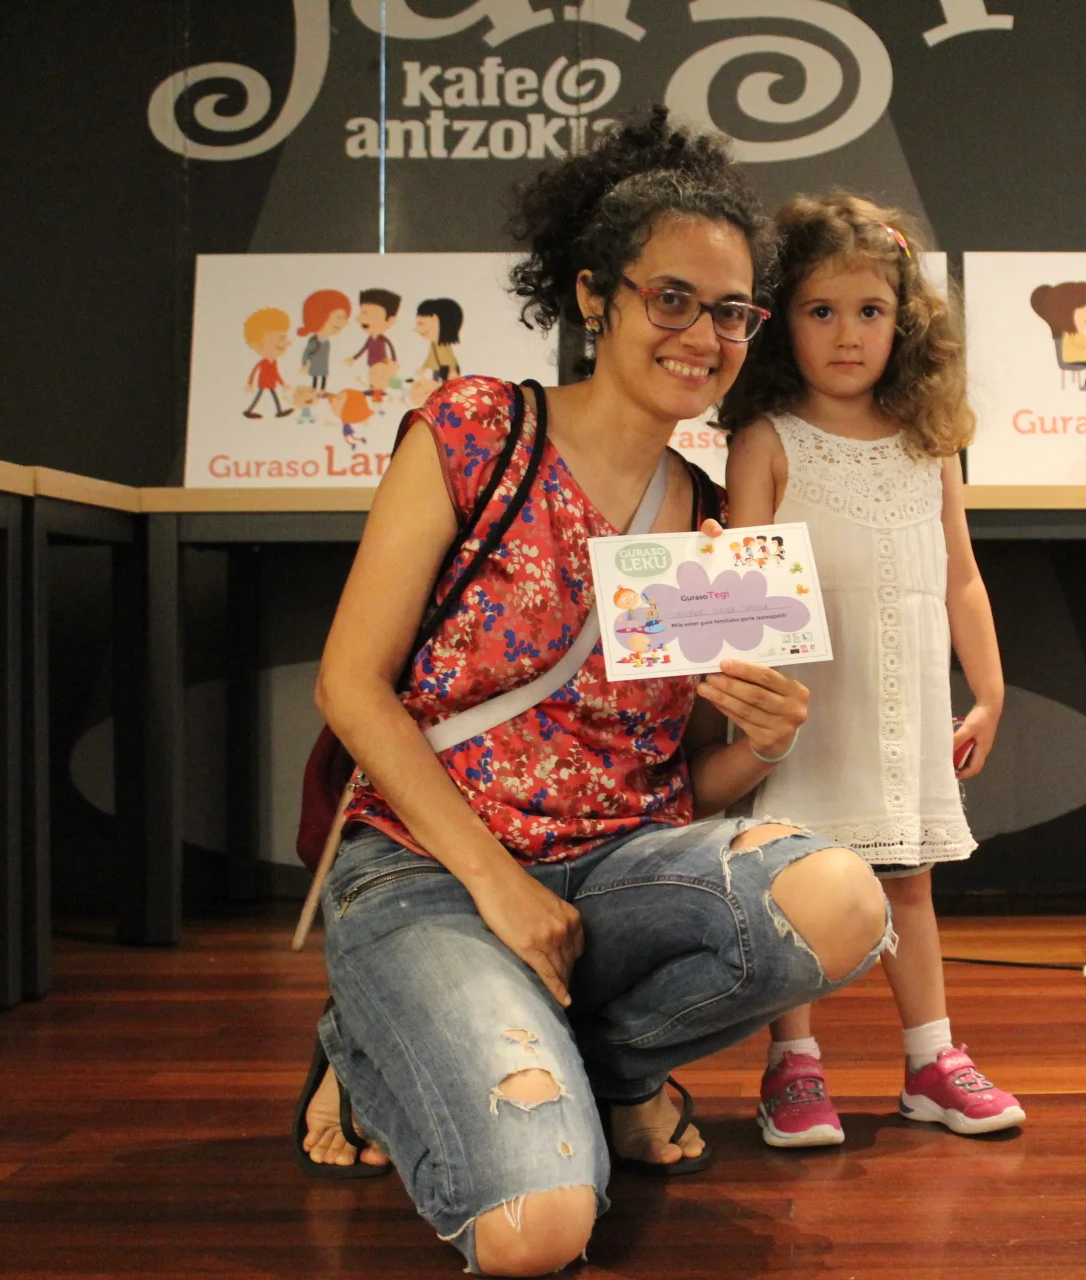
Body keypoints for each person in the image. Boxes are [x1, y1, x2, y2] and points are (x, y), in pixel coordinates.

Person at [297, 110, 891, 1277]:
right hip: (432, 869)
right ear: (592, 296)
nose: (704, 335)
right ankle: (368, 1041)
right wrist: (501, 886)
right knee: (537, 1230)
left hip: (617, 873)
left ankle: (597, 1070)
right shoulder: (478, 429)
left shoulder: (709, 514)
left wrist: (763, 742)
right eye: (672, 298)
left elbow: (682, 782)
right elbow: (348, 685)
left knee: (841, 901)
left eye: (733, 312)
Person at [718, 195, 1024, 1147]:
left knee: (911, 883)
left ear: (906, 323)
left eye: (870, 312)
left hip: (903, 717)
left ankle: (933, 1060)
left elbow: (961, 577)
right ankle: (794, 1064)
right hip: (807, 717)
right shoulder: (766, 442)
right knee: (793, 884)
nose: (847, 335)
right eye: (822, 311)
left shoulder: (930, 448)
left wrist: (989, 691)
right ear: (783, 321)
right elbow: (741, 590)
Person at [1029, 281, 1086, 390]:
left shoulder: (1078, 333)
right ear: (1068, 313)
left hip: (1081, 359)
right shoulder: (1069, 335)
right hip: (1070, 361)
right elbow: (1082, 345)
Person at [241, 308, 294, 419]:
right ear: (258, 344)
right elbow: (254, 372)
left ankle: (278, 411)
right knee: (262, 395)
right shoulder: (264, 362)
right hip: (264, 382)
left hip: (270, 382)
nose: (287, 343)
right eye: (281, 338)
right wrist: (250, 383)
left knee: (269, 395)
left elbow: (276, 373)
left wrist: (282, 383)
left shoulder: (273, 362)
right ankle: (251, 410)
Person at [299, 289, 353, 390]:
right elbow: (306, 352)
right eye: (339, 317)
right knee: (316, 378)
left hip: (323, 366)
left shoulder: (327, 342)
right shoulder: (314, 341)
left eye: (345, 318)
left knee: (323, 377)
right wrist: (304, 364)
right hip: (315, 366)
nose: (343, 323)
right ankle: (315, 390)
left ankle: (322, 390)